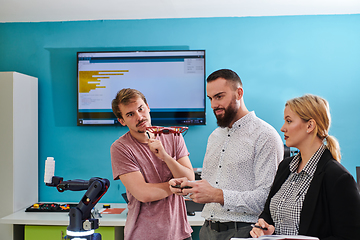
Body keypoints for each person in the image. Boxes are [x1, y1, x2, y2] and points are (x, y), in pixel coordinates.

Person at [169, 69, 284, 240]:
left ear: (239, 93)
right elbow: (210, 186)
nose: (213, 104)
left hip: (245, 232)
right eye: (210, 99)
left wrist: (218, 195)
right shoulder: (215, 136)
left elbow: (267, 198)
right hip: (207, 230)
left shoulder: (265, 136)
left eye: (219, 96)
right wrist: (187, 187)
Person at [250, 94, 360, 239]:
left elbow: (350, 236)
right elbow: (267, 215)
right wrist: (264, 228)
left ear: (310, 126)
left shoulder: (338, 178)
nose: (283, 128)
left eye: (289, 121)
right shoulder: (285, 167)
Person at [110, 88, 195, 240]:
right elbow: (144, 193)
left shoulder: (174, 136)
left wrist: (165, 156)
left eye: (141, 109)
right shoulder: (120, 148)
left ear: (148, 107)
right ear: (122, 121)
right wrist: (178, 186)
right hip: (143, 235)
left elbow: (189, 179)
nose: (139, 117)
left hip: (180, 233)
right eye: (130, 114)